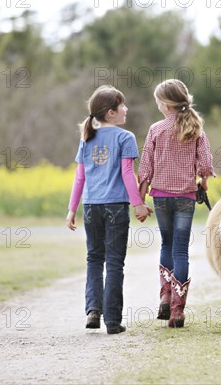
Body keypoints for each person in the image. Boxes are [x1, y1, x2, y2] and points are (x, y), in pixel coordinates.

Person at [66, 85, 152, 335]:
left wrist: (72, 209)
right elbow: (127, 174)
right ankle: (113, 321)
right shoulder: (125, 138)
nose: (126, 109)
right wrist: (138, 204)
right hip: (115, 206)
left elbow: (79, 178)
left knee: (94, 259)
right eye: (122, 105)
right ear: (112, 113)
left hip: (91, 207)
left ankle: (93, 310)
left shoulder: (87, 138)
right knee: (114, 263)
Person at [138, 79, 215, 328]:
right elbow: (205, 163)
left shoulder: (155, 129)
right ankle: (177, 311)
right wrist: (203, 182)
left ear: (165, 104)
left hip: (160, 197)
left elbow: (146, 167)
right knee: (180, 249)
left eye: (158, 101)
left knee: (166, 243)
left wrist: (140, 197)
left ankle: (164, 296)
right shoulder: (195, 128)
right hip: (185, 197)